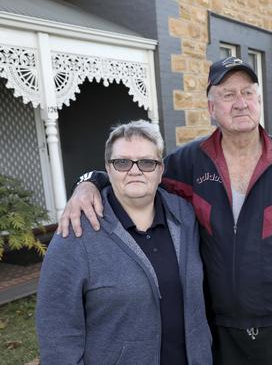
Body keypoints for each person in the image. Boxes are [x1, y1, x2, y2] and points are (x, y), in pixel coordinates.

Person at [58, 57, 272, 364]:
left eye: (247, 93)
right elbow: (137, 179)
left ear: (259, 100)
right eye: (228, 95)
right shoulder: (188, 163)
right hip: (217, 328)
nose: (240, 103)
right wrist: (90, 182)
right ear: (211, 109)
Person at [37, 121, 212, 364]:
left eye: (147, 162)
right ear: (108, 170)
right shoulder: (76, 232)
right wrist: (87, 182)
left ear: (161, 170)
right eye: (122, 162)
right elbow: (57, 330)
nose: (135, 171)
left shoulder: (185, 216)